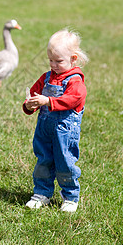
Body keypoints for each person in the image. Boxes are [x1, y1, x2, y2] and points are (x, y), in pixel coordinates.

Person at [23, 29, 88, 212]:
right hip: (44, 128)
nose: (53, 64)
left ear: (73, 59)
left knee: (64, 162)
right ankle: (42, 193)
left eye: (58, 61)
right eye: (50, 60)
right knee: (43, 160)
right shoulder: (46, 78)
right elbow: (34, 94)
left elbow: (72, 99)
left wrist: (48, 101)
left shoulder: (75, 81)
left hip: (65, 131)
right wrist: (30, 105)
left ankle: (70, 196)